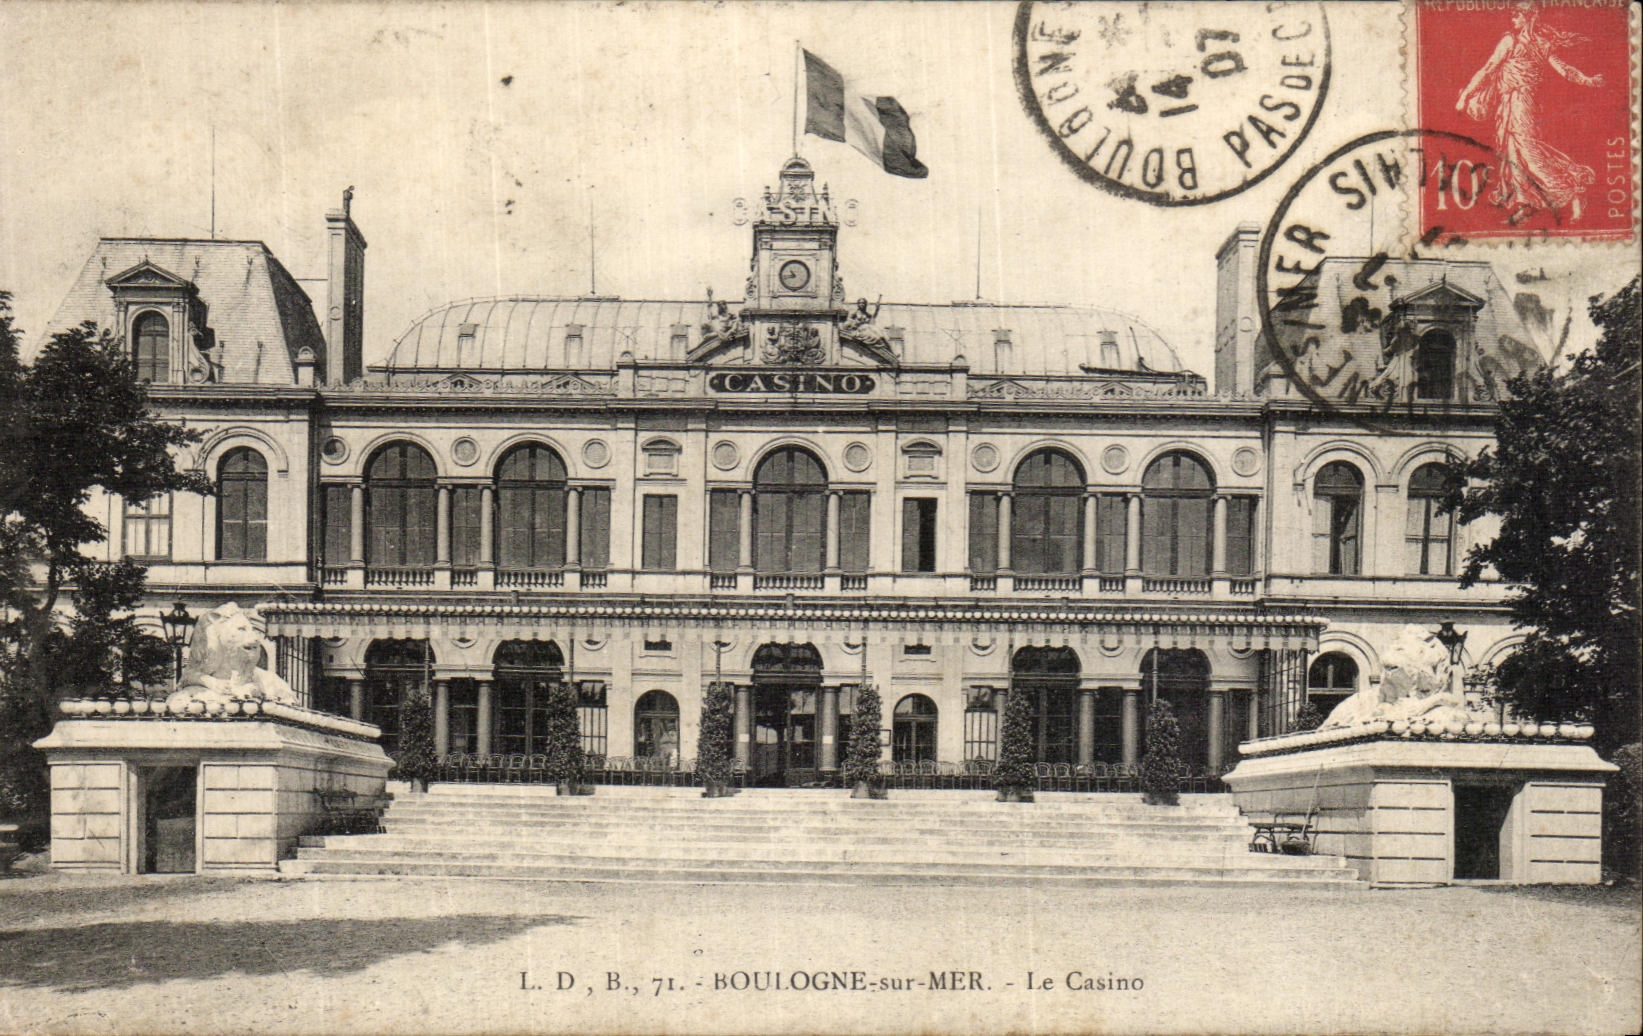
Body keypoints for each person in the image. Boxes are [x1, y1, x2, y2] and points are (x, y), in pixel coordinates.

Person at [1455, 4, 1604, 223]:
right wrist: (1466, 95)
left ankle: (1571, 191)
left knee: (1528, 153)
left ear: (1528, 17)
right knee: (1513, 152)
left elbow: (1562, 68)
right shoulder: (1515, 41)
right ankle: (1525, 201)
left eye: (1517, 15)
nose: (1512, 18)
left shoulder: (1531, 43)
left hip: (1522, 103)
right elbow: (1488, 69)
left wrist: (1586, 80)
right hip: (1510, 102)